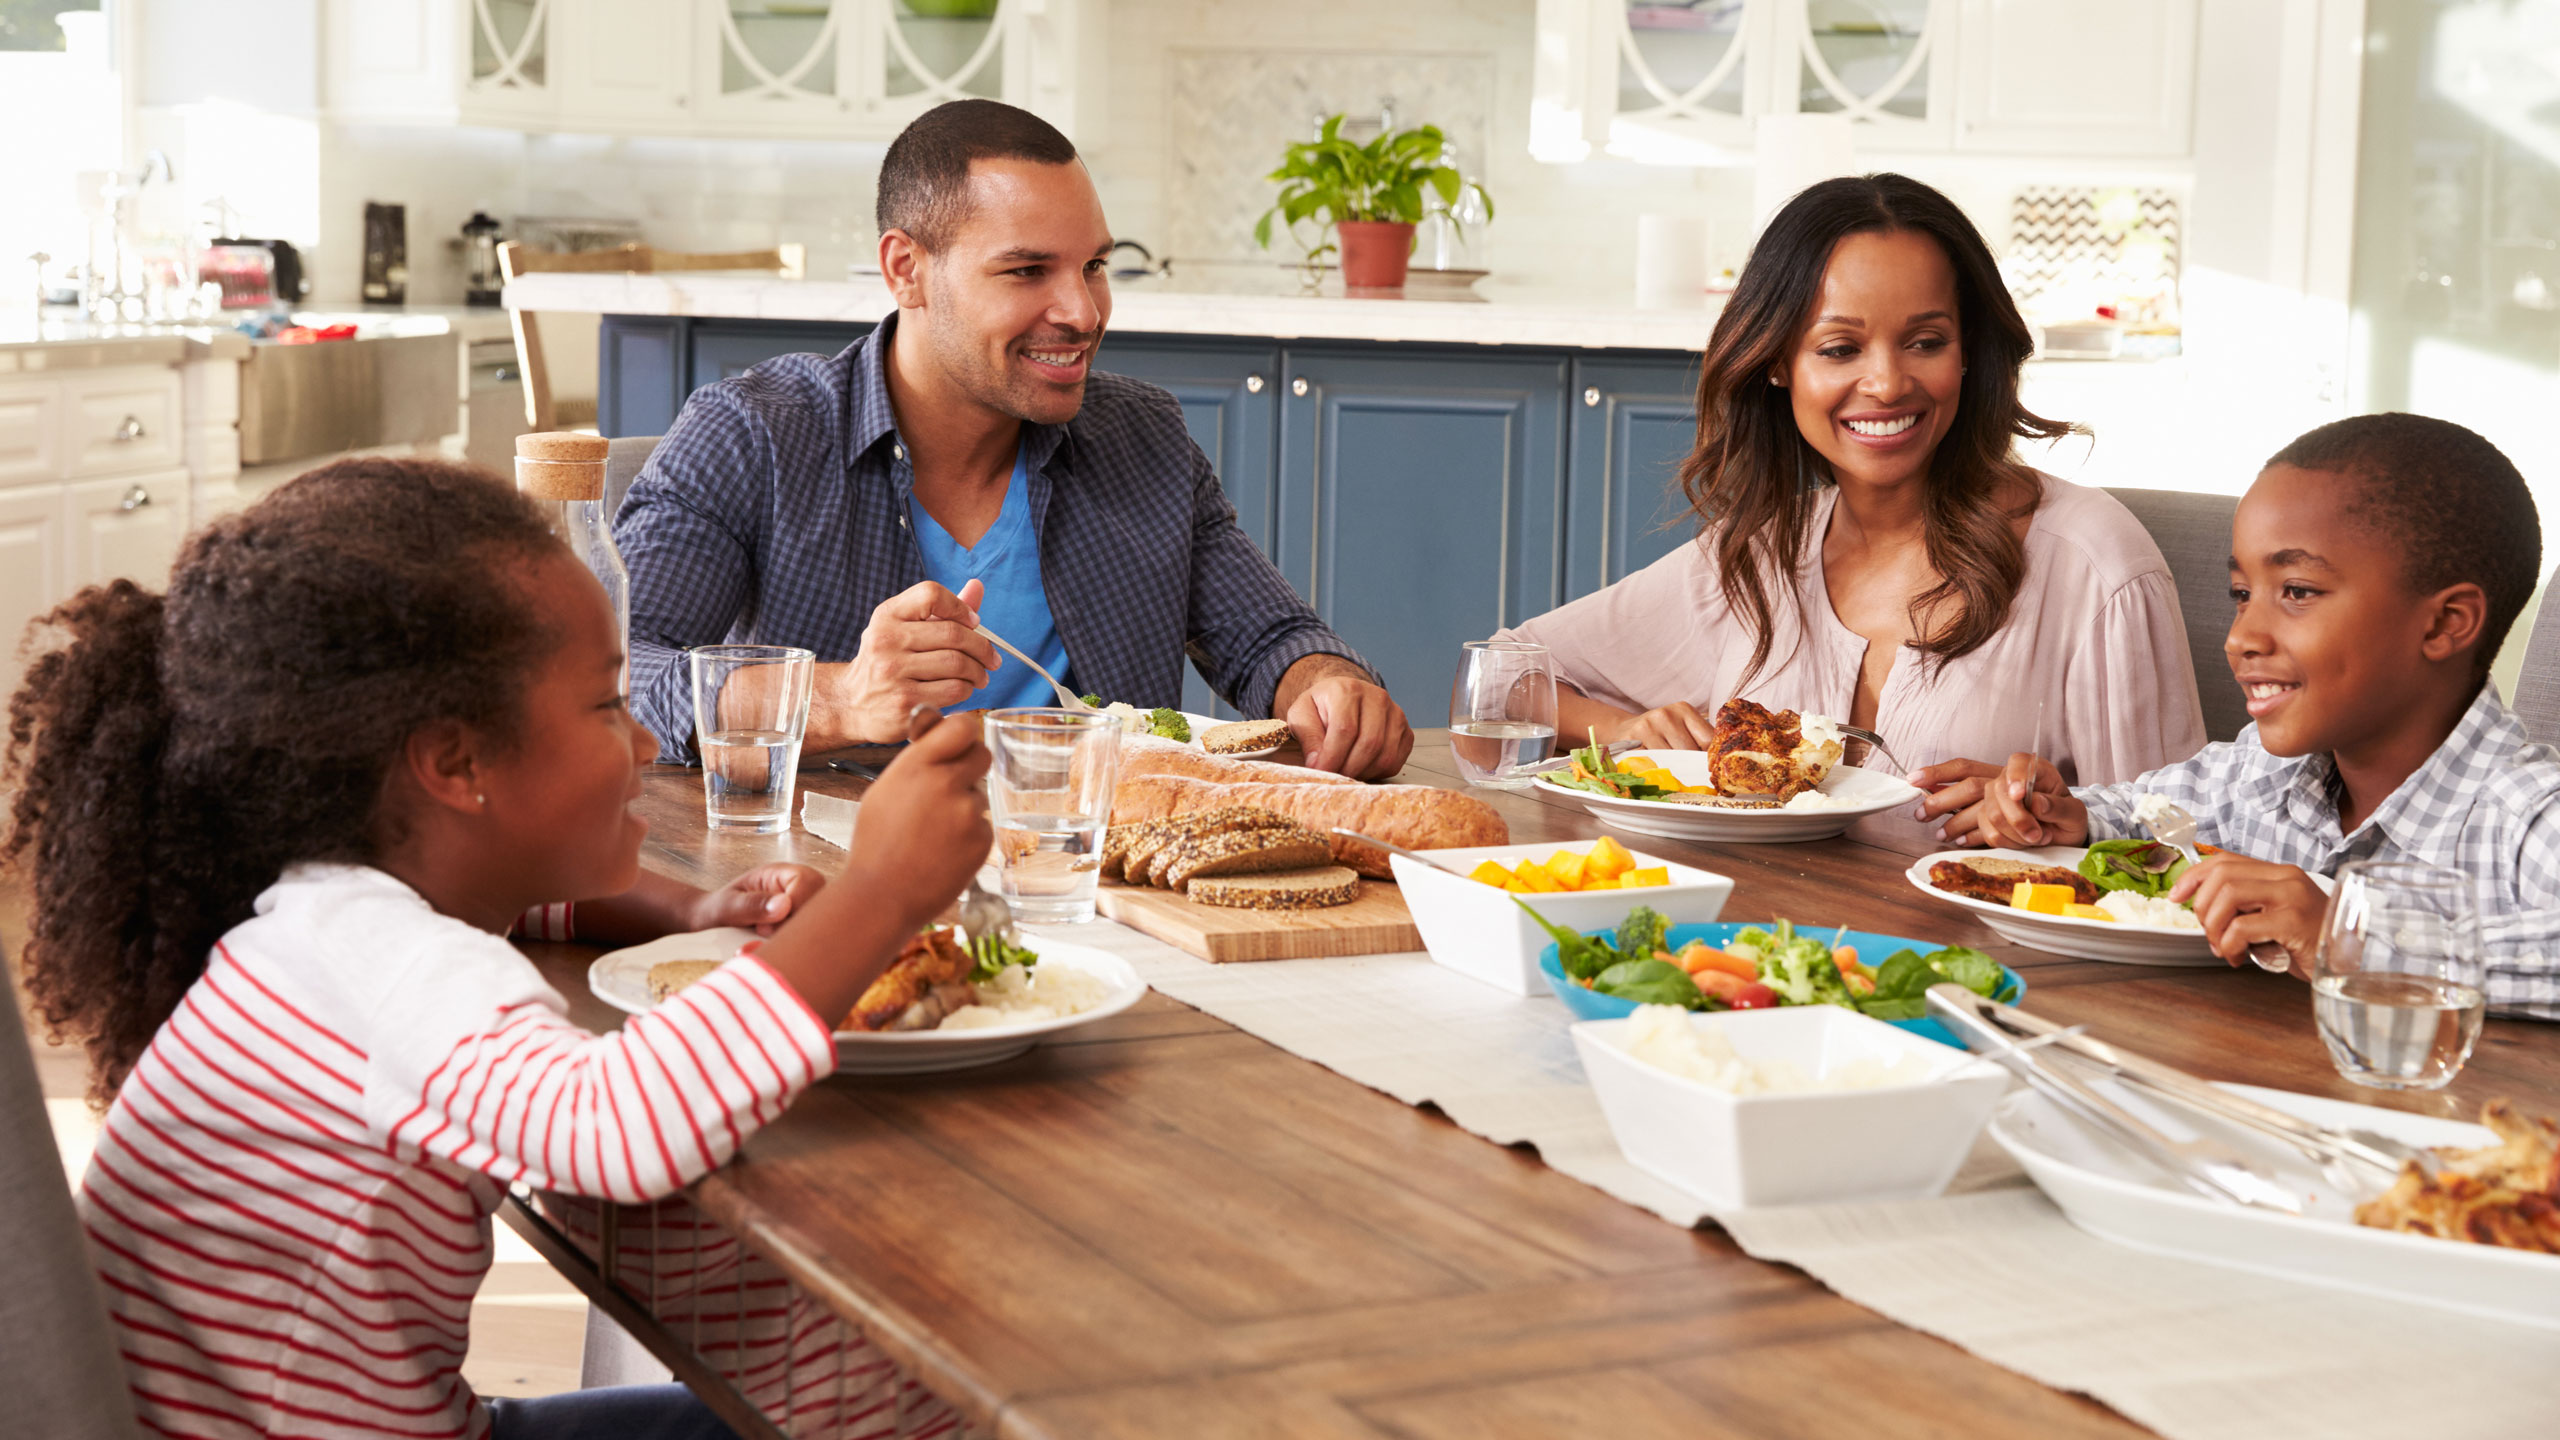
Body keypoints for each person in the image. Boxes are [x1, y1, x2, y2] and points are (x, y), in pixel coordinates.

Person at [1, 457, 994, 1438]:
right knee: (898, 1405)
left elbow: (501, 915)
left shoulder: (330, 919)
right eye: (608, 705)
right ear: (456, 763)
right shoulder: (398, 969)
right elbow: (619, 1128)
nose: (646, 743)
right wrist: (881, 892)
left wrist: (681, 915)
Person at [617, 98, 1412, 779]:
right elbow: (614, 680)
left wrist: (1327, 683)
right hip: (832, 893)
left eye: (1095, 265)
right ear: (907, 270)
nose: (1084, 311)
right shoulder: (753, 433)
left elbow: (1270, 639)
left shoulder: (1146, 438)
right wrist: (841, 697)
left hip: (1097, 886)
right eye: (1028, 270)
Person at [1491, 174, 2204, 851]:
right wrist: (1627, 728)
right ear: (1776, 363)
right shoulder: (1759, 555)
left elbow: (2184, 842)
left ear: (1970, 353)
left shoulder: (2097, 565)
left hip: (2004, 978)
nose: (1889, 382)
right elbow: (1501, 682)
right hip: (1755, 958)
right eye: (1840, 348)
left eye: (1927, 342)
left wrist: (2061, 818)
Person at [1919, 414, 2559, 1017]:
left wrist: (2346, 935)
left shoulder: (2528, 813)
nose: (2241, 636)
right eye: (2241, 595)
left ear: (2446, 623)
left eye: (2298, 593)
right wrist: (2069, 816)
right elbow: (2144, 811)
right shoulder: (2260, 773)